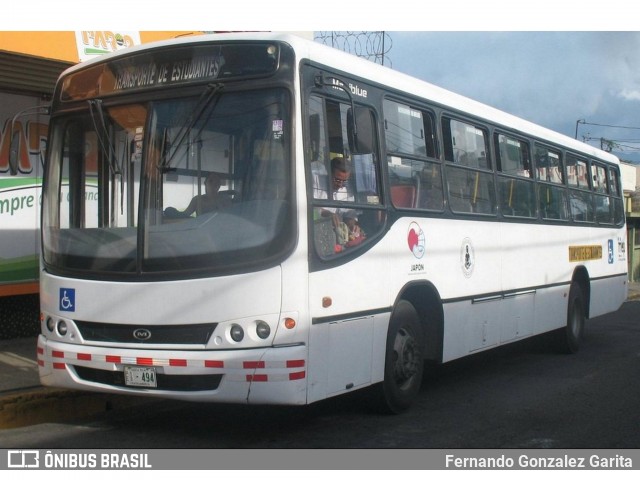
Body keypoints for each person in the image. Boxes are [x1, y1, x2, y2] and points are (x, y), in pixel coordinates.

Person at [165, 172, 231, 219]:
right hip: (202, 233)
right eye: (211, 181)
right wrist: (170, 211)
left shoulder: (225, 200)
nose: (213, 184)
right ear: (205, 183)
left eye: (217, 182)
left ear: (219, 185)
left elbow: (230, 217)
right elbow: (185, 215)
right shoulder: (197, 200)